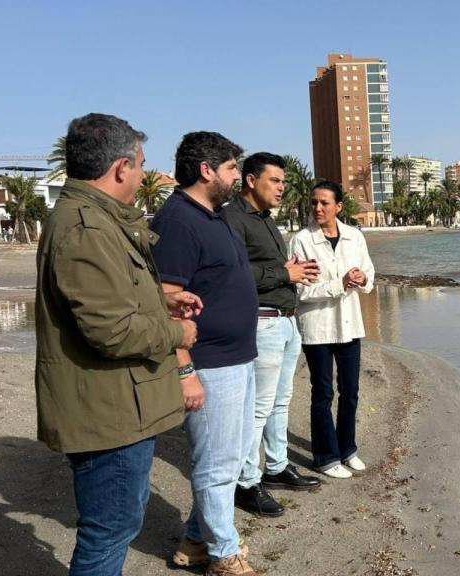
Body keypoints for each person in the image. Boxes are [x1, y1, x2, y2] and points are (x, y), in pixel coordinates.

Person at [35, 113, 201, 576]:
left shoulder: (97, 221)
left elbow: (110, 301)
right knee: (107, 532)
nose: (145, 174)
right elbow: (110, 331)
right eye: (143, 164)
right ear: (121, 167)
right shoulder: (87, 227)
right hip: (106, 414)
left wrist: (162, 301)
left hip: (117, 407)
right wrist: (178, 334)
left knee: (115, 524)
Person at [150, 132, 259, 576]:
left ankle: (196, 541)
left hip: (238, 356)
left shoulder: (213, 215)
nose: (238, 176)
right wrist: (185, 370)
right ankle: (223, 555)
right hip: (210, 362)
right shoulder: (177, 219)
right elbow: (164, 298)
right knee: (216, 465)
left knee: (229, 459)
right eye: (233, 168)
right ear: (206, 170)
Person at [224, 152, 321, 518]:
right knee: (258, 408)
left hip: (285, 320)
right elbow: (231, 273)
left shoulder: (265, 220)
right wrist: (285, 275)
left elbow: (267, 266)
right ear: (251, 180)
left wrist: (290, 271)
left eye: (283, 181)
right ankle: (246, 482)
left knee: (281, 401)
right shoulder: (233, 218)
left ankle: (277, 466)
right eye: (275, 181)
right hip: (262, 321)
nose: (282, 187)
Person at [288, 181, 375, 479]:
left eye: (324, 203)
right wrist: (341, 284)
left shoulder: (354, 236)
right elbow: (302, 292)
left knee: (350, 391)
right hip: (317, 328)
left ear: (339, 206)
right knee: (322, 393)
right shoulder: (301, 240)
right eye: (314, 202)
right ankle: (325, 456)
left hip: (350, 325)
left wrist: (362, 278)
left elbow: (370, 273)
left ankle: (347, 448)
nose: (318, 208)